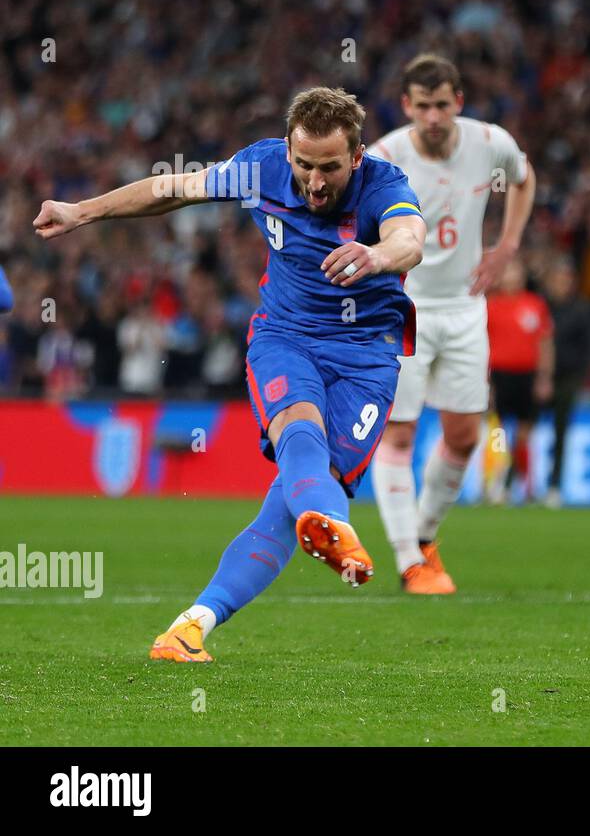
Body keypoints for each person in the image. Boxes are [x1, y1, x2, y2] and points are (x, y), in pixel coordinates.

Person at [33, 86, 426, 661]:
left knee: (291, 499)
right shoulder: (259, 167)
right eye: (304, 165)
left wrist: (377, 256)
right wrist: (82, 210)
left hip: (367, 358)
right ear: (287, 151)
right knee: (299, 428)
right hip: (285, 339)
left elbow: (409, 239)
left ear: (358, 156)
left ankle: (191, 626)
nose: (315, 182)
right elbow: (172, 189)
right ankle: (330, 523)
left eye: (331, 168)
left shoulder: (384, 185)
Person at [366, 54, 535, 594]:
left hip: (466, 309)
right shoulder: (384, 157)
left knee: (464, 436)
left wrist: (508, 244)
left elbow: (524, 180)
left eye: (443, 104)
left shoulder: (490, 143)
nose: (433, 116)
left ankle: (423, 536)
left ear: (458, 102)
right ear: (407, 106)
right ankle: (407, 560)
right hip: (403, 308)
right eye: (423, 106)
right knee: (399, 433)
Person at [485, 259, 553, 503]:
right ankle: (496, 483)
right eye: (508, 271)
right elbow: (482, 345)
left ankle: (526, 486)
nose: (513, 277)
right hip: (500, 377)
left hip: (527, 376)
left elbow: (545, 343)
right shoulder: (491, 304)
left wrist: (544, 377)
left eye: (517, 271)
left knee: (524, 434)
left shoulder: (534, 304)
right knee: (498, 433)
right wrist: (486, 381)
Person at [541, 258, 590, 507]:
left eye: (566, 280)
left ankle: (554, 485)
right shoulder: (541, 306)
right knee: (520, 430)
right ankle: (511, 481)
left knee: (560, 434)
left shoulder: (581, 310)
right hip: (538, 378)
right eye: (557, 279)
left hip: (567, 380)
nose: (561, 284)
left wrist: (581, 377)